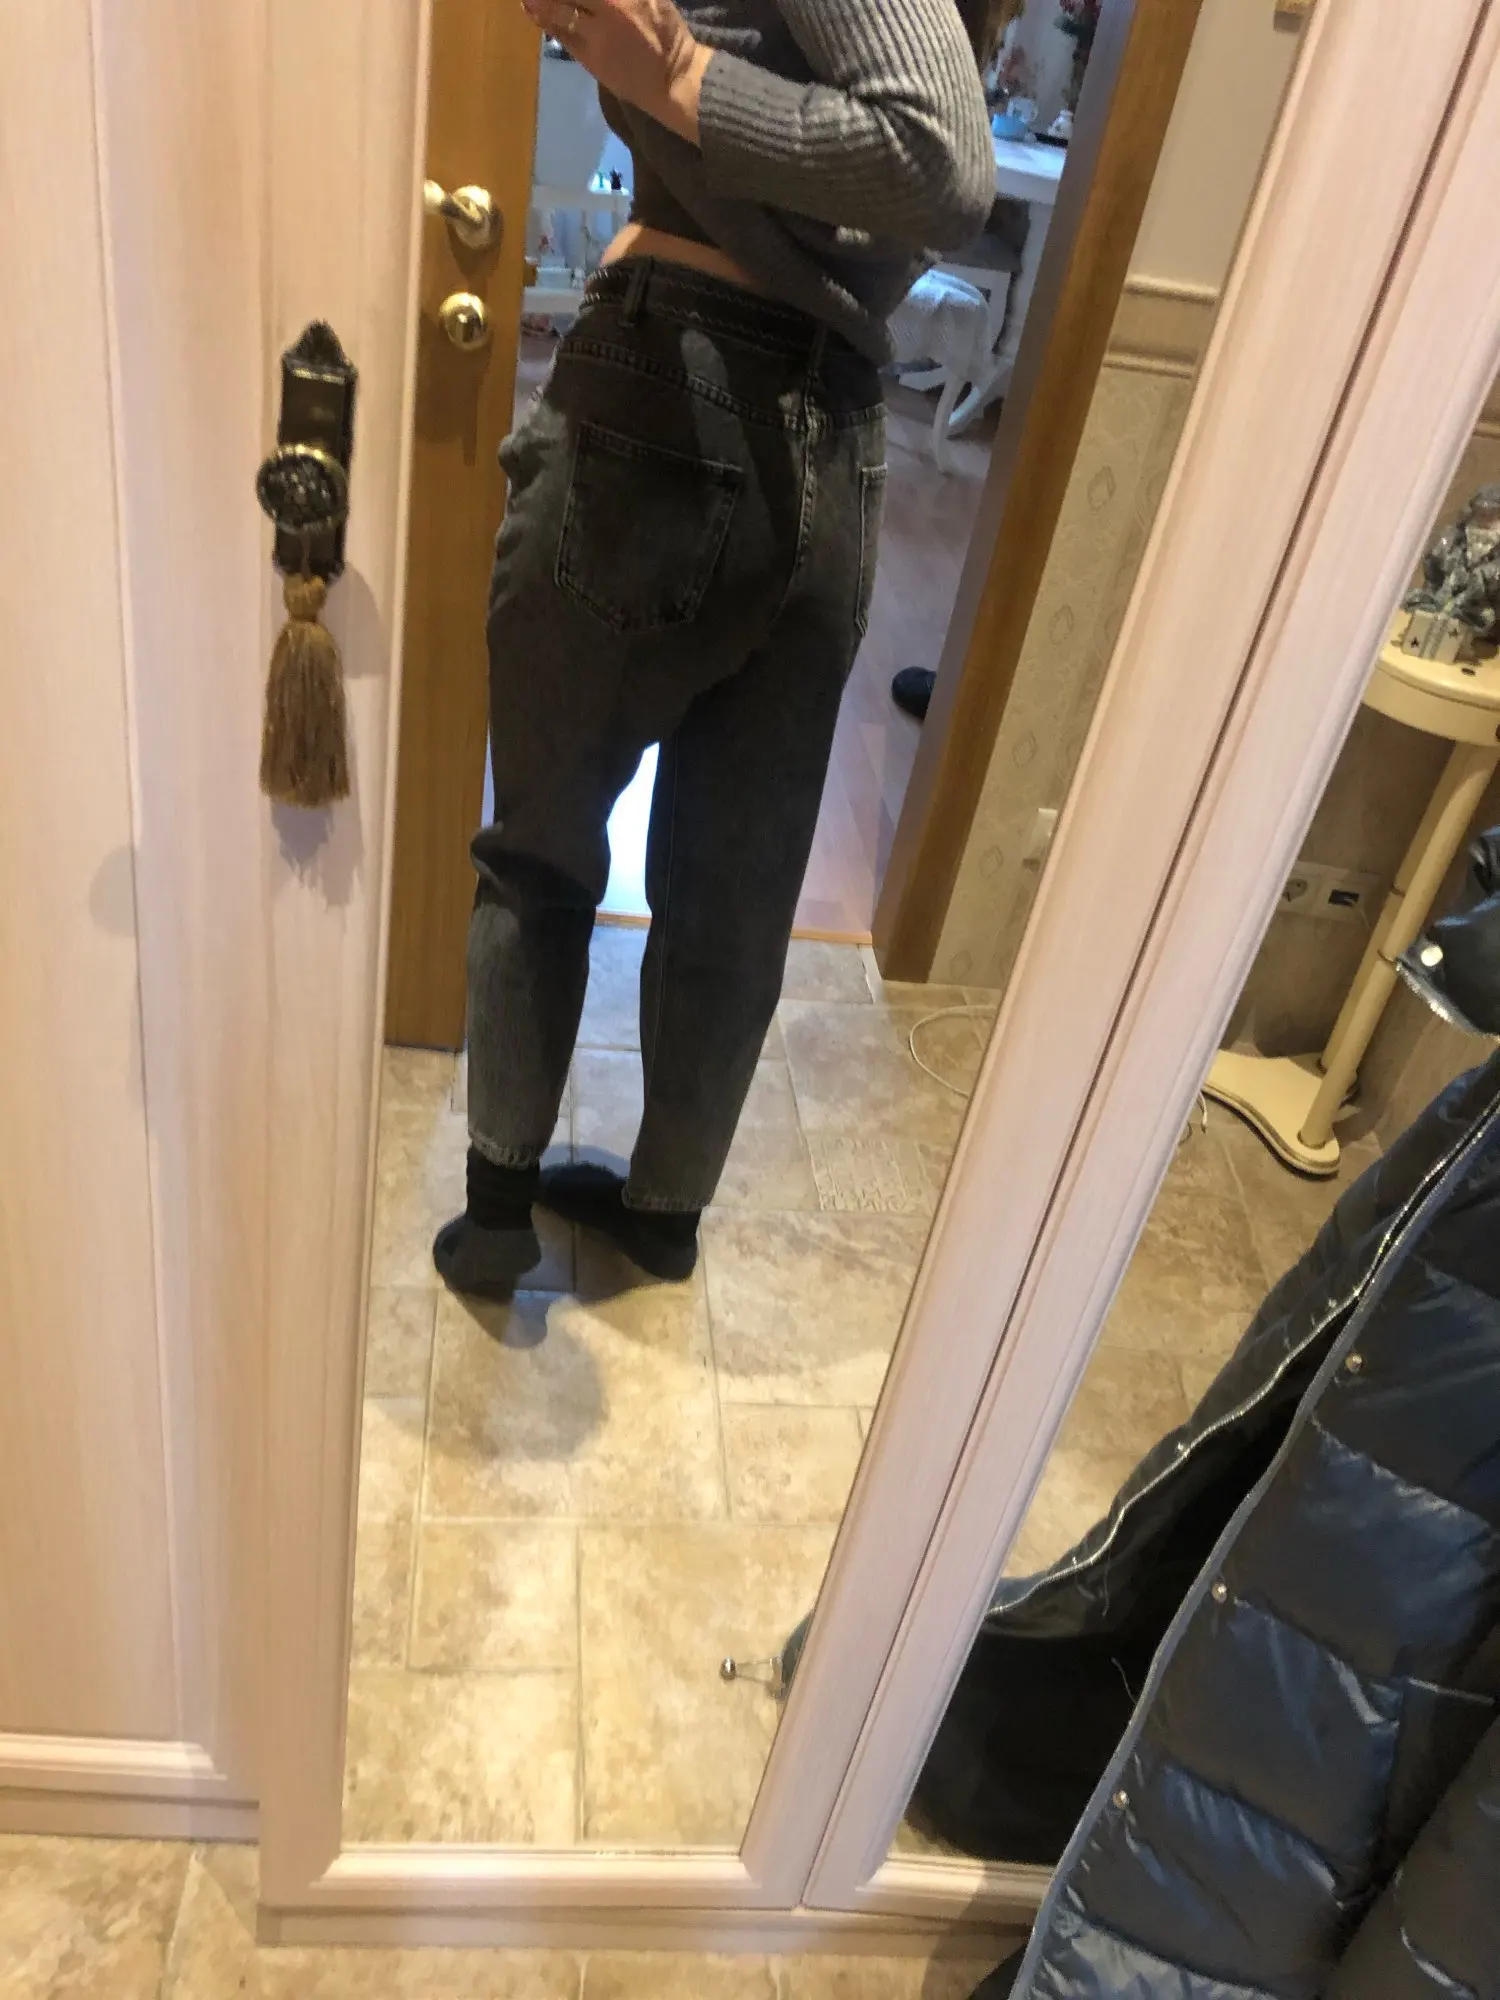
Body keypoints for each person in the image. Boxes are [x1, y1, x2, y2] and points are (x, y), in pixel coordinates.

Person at [436, 0, 1002, 1301]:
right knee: (735, 891)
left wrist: (682, 74)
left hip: (660, 387)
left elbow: (942, 164)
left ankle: (498, 1212)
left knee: (540, 849)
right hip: (833, 433)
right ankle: (662, 1215)